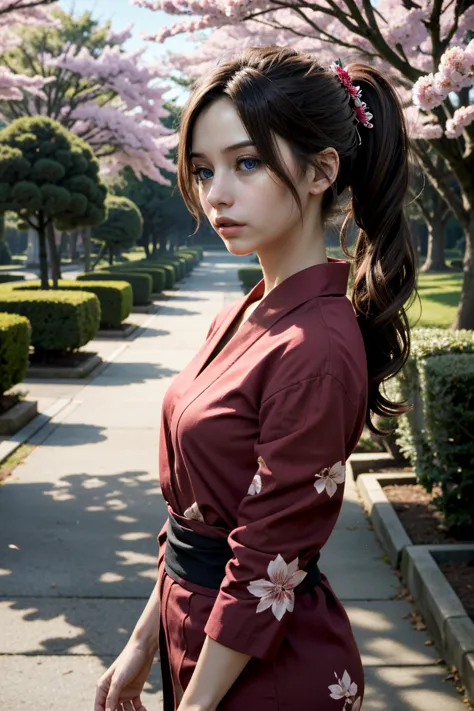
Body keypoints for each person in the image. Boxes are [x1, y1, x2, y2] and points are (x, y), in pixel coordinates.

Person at [94, 45, 416, 711]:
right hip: (203, 648)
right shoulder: (241, 316)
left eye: (246, 163)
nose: (216, 194)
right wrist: (140, 644)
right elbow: (197, 523)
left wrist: (196, 704)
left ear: (323, 169)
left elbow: (267, 554)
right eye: (203, 169)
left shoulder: (316, 346)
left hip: (269, 673)